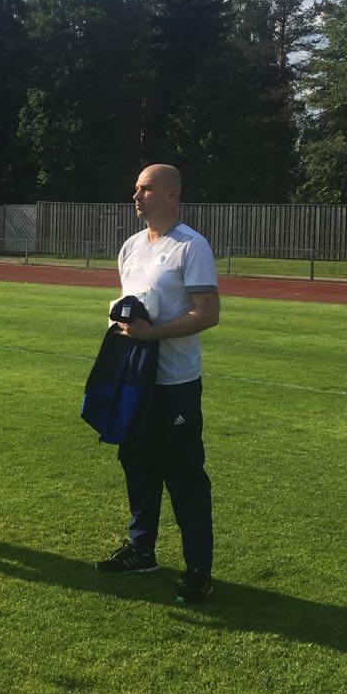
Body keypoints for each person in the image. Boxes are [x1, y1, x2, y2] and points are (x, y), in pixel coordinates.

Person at [96, 164, 220, 604]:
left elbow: (207, 313)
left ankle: (197, 569)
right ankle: (140, 549)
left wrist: (153, 332)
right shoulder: (130, 247)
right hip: (137, 378)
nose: (136, 196)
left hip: (175, 382)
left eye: (145, 189)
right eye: (135, 189)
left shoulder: (191, 245)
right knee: (137, 463)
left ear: (171, 194)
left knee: (184, 474)